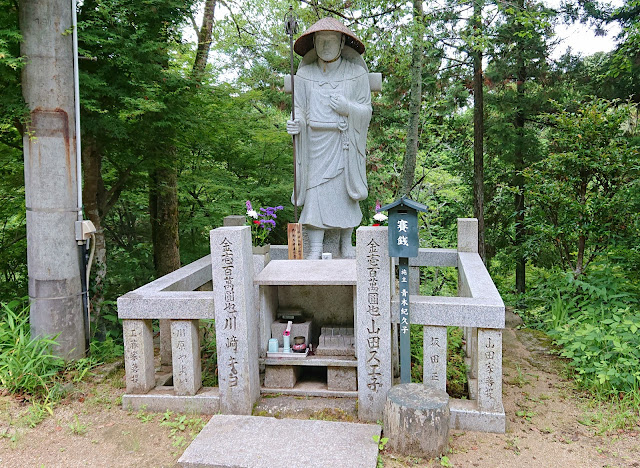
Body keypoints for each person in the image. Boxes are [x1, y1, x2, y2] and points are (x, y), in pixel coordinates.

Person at [287, 18, 372, 259]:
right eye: (320, 41)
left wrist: (348, 108)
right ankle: (314, 248)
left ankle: (347, 241)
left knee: (344, 192)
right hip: (314, 143)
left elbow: (366, 110)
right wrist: (296, 124)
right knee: (315, 193)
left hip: (344, 141)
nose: (325, 46)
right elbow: (299, 110)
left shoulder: (355, 74)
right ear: (313, 42)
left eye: (331, 40)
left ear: (342, 41)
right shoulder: (304, 74)